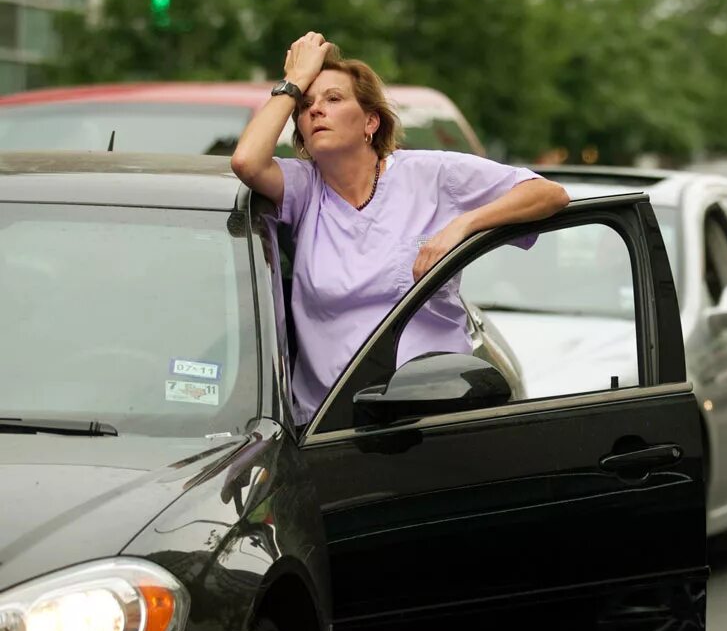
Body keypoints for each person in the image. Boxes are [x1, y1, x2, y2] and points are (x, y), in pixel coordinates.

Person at [231, 31, 569, 426]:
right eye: (305, 106)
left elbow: (549, 194)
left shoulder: (431, 174)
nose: (316, 110)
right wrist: (293, 81)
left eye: (334, 99)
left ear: (370, 122)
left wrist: (463, 225)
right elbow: (247, 162)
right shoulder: (305, 189)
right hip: (330, 429)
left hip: (433, 417)